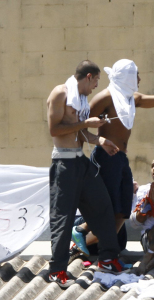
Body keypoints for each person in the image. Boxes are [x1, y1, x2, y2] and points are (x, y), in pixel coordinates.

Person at [70, 59, 154, 255]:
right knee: (108, 207)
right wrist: (97, 143)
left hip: (120, 158)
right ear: (127, 77)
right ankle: (84, 230)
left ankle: (99, 248)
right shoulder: (105, 97)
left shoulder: (130, 98)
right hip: (105, 157)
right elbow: (78, 126)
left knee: (124, 208)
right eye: (136, 75)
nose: (140, 79)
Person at [45, 60, 126, 284]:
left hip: (81, 162)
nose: (95, 87)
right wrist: (85, 124)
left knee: (102, 207)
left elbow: (81, 134)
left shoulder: (80, 100)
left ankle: (108, 258)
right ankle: (57, 270)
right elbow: (55, 129)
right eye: (96, 81)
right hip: (64, 164)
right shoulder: (60, 93)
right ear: (88, 76)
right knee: (63, 216)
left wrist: (101, 141)